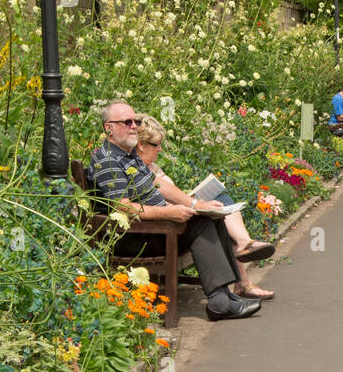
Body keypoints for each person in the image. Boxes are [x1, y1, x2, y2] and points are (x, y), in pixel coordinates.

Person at [86, 99, 259, 321]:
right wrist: (168, 213)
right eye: (127, 122)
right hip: (134, 236)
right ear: (108, 128)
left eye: (135, 121)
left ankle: (225, 295)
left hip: (154, 227)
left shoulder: (127, 156)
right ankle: (219, 302)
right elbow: (124, 207)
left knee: (212, 216)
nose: (134, 126)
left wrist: (197, 204)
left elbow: (159, 184)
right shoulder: (108, 160)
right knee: (201, 223)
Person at [134, 114, 276, 302]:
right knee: (217, 214)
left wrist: (192, 200)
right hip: (166, 226)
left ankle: (244, 248)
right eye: (156, 144)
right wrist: (190, 204)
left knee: (221, 201)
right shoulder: (137, 170)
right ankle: (241, 277)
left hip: (176, 214)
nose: (160, 149)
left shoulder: (152, 167)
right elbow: (148, 204)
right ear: (141, 144)